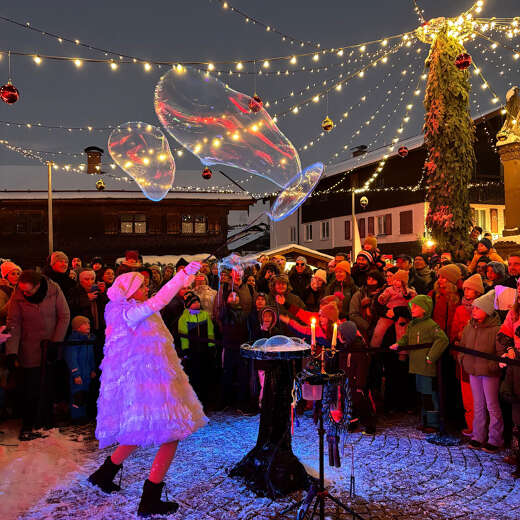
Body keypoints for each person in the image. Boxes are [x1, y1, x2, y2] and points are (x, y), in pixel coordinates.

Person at [88, 263, 207, 516]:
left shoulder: (129, 310)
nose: (146, 288)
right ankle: (150, 497)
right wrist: (182, 275)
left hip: (151, 380)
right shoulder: (129, 313)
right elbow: (161, 299)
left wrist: (185, 280)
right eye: (141, 286)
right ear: (129, 292)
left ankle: (105, 473)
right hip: (150, 384)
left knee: (140, 431)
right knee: (171, 434)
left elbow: (157, 301)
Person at [5, 270, 70, 440]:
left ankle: (47, 421)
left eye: (29, 291)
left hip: (50, 346)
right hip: (29, 347)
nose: (25, 293)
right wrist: (11, 351)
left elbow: (64, 316)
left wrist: (56, 342)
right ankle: (29, 423)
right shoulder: (17, 296)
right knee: (30, 387)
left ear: (38, 285)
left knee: (48, 385)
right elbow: (13, 322)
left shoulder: (54, 290)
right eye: (23, 290)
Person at [391, 295, 449, 433]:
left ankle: (433, 422)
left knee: (428, 395)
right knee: (423, 394)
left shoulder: (431, 325)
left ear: (424, 309)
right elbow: (406, 337)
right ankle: (425, 420)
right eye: (412, 306)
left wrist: (431, 356)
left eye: (416, 306)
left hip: (425, 366)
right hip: (416, 365)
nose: (412, 309)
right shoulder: (413, 324)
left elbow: (443, 340)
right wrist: (398, 344)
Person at [460, 292, 504, 453]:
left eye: (478, 308)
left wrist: (493, 366)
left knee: (492, 405)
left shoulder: (497, 329)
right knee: (478, 404)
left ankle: (495, 438)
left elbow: (500, 353)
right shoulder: (469, 326)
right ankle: (478, 435)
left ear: (487, 310)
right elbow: (463, 346)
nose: (473, 310)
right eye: (474, 307)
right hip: (473, 370)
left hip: (489, 372)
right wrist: (463, 360)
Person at [450, 274, 485, 436]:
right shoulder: (459, 309)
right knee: (467, 395)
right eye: (465, 288)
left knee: (483, 397)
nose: (467, 291)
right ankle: (471, 425)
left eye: (470, 288)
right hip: (463, 356)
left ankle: (481, 428)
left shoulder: (485, 309)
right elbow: (454, 332)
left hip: (480, 358)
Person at [177, 291, 216, 407]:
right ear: (189, 304)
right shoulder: (184, 318)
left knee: (205, 374)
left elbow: (210, 331)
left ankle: (206, 398)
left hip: (204, 350)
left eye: (198, 301)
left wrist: (211, 346)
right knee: (194, 375)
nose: (197, 303)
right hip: (193, 351)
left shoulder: (204, 315)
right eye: (194, 302)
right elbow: (183, 336)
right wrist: (185, 350)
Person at [338, 321, 376, 434]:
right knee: (349, 404)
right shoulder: (346, 348)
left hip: (357, 384)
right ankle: (352, 423)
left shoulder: (358, 350)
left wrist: (360, 385)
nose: (338, 336)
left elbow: (361, 369)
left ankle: (369, 425)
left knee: (361, 404)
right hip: (348, 382)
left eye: (340, 334)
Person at [218, 291, 251, 412]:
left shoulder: (244, 313)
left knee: (242, 377)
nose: (234, 297)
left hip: (241, 349)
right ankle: (225, 402)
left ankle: (241, 404)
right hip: (229, 348)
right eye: (231, 295)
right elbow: (222, 317)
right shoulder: (225, 312)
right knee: (227, 375)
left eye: (236, 295)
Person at [64, 316, 96, 423]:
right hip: (78, 374)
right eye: (85, 324)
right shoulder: (74, 341)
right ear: (77, 327)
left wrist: (92, 369)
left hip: (86, 373)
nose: (88, 325)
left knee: (85, 394)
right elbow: (71, 359)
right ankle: (76, 416)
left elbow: (91, 357)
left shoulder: (88, 340)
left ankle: (83, 415)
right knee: (77, 395)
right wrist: (76, 374)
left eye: (88, 323)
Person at [372, 270, 416, 348]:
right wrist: (382, 299)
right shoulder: (389, 289)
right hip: (388, 312)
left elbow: (413, 303)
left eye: (391, 276)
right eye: (395, 280)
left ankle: (402, 352)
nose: (395, 282)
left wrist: (408, 296)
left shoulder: (408, 290)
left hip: (402, 315)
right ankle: (374, 347)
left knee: (401, 332)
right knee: (379, 329)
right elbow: (381, 299)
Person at [349, 270, 386, 343]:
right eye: (368, 279)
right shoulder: (360, 294)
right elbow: (353, 314)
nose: (370, 281)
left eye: (373, 279)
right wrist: (368, 327)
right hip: (363, 331)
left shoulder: (384, 295)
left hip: (381, 330)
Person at [0, 261, 21, 326]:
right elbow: (1, 313)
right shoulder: (2, 291)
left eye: (18, 274)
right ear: (6, 277)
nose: (16, 276)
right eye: (13, 274)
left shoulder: (20, 288)